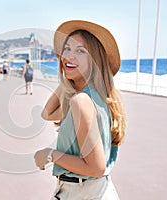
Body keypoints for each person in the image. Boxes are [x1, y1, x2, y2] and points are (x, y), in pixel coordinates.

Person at [34, 20, 126, 199]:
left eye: (80, 51)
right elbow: (47, 113)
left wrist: (49, 155)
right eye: (67, 49)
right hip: (95, 190)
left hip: (83, 192)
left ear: (95, 61)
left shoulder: (81, 101)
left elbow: (95, 168)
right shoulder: (96, 97)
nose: (69, 55)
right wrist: (69, 79)